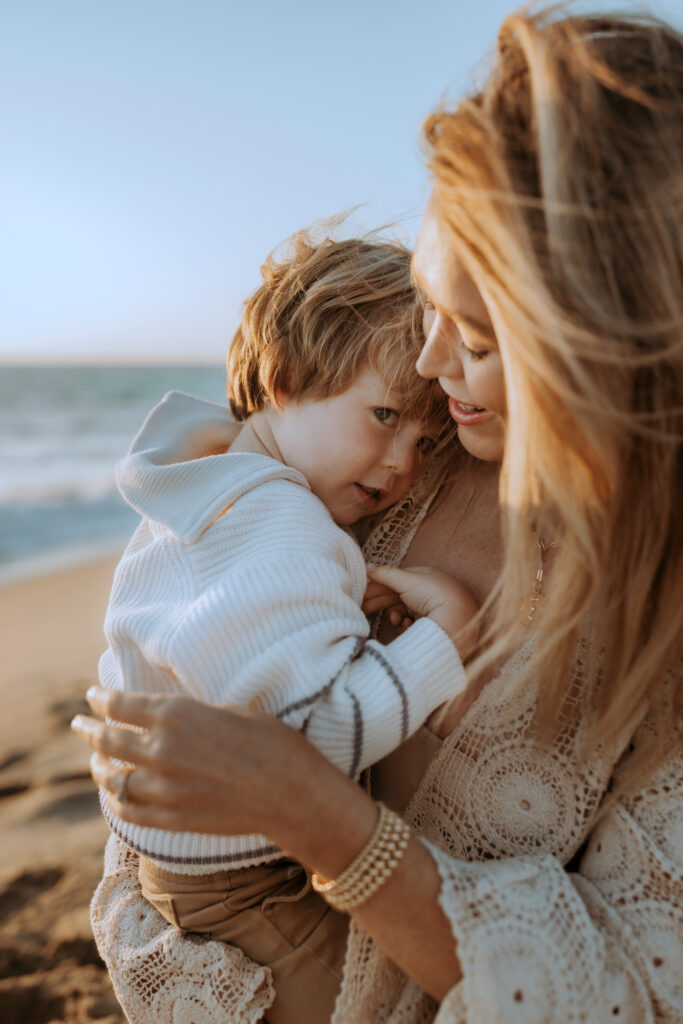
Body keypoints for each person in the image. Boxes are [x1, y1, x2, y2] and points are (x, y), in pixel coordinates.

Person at [72, 6, 683, 1023]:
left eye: (477, 336)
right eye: (426, 305)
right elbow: (192, 697)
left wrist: (322, 819)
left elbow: (633, 981)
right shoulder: (388, 462)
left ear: (607, 350)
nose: (434, 366)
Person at [95, 230, 479, 1024]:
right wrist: (443, 641)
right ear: (283, 377)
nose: (403, 464)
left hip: (168, 864)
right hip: (250, 890)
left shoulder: (203, 487)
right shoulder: (282, 522)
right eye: (382, 416)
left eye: (424, 440)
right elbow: (308, 747)